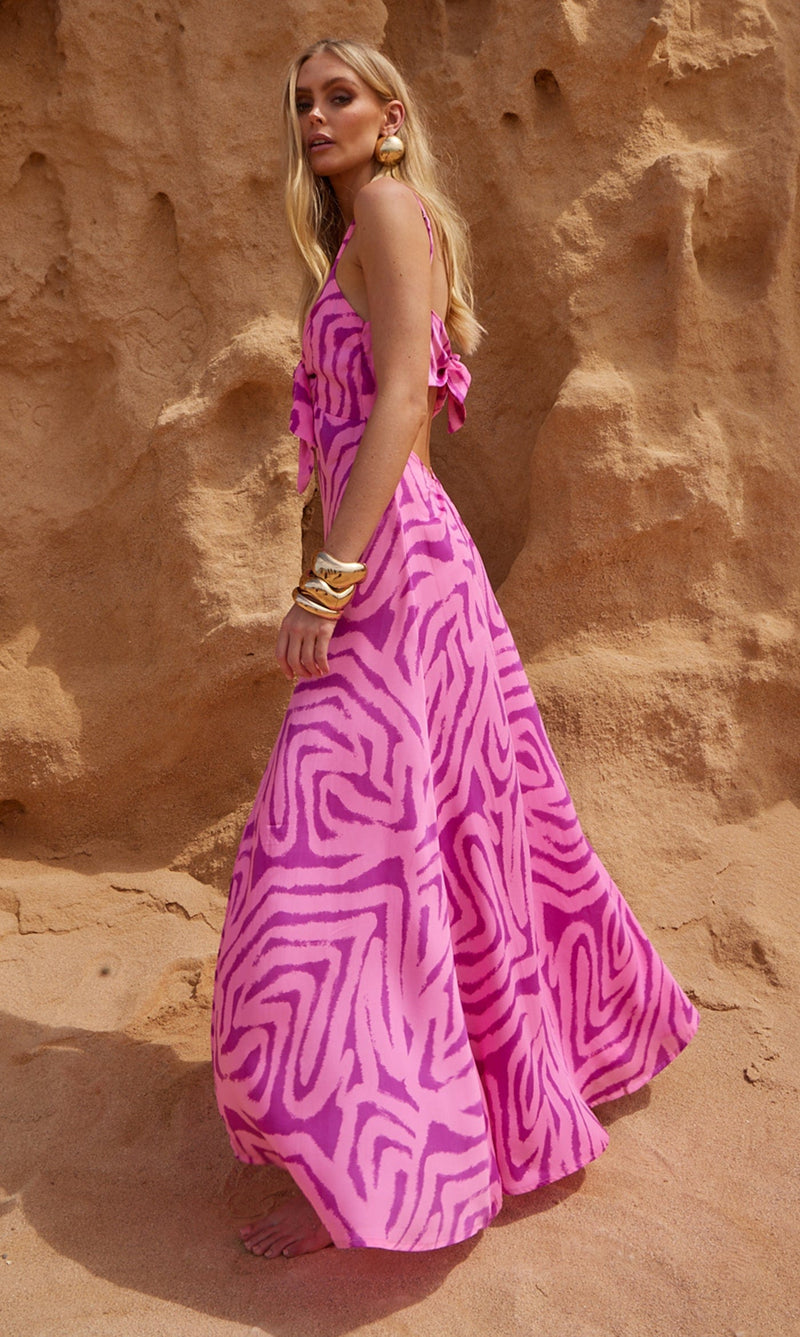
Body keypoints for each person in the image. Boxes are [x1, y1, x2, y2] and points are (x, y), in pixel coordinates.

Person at [211, 37, 698, 1261]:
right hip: (408, 565)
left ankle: (378, 1160)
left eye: (340, 96)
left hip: (395, 576)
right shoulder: (356, 230)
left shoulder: (384, 204)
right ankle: (432, 1120)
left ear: (389, 119)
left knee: (324, 860)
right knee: (430, 843)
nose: (315, 114)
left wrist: (326, 578)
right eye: (302, 100)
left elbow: (399, 403)